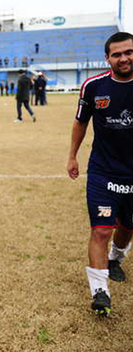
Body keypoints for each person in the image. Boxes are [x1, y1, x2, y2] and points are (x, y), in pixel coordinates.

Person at [67, 31, 133, 316]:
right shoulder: (93, 87)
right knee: (102, 228)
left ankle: (116, 258)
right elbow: (81, 122)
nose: (124, 58)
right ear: (107, 58)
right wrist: (72, 156)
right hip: (103, 170)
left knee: (127, 227)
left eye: (128, 52)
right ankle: (100, 291)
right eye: (116, 54)